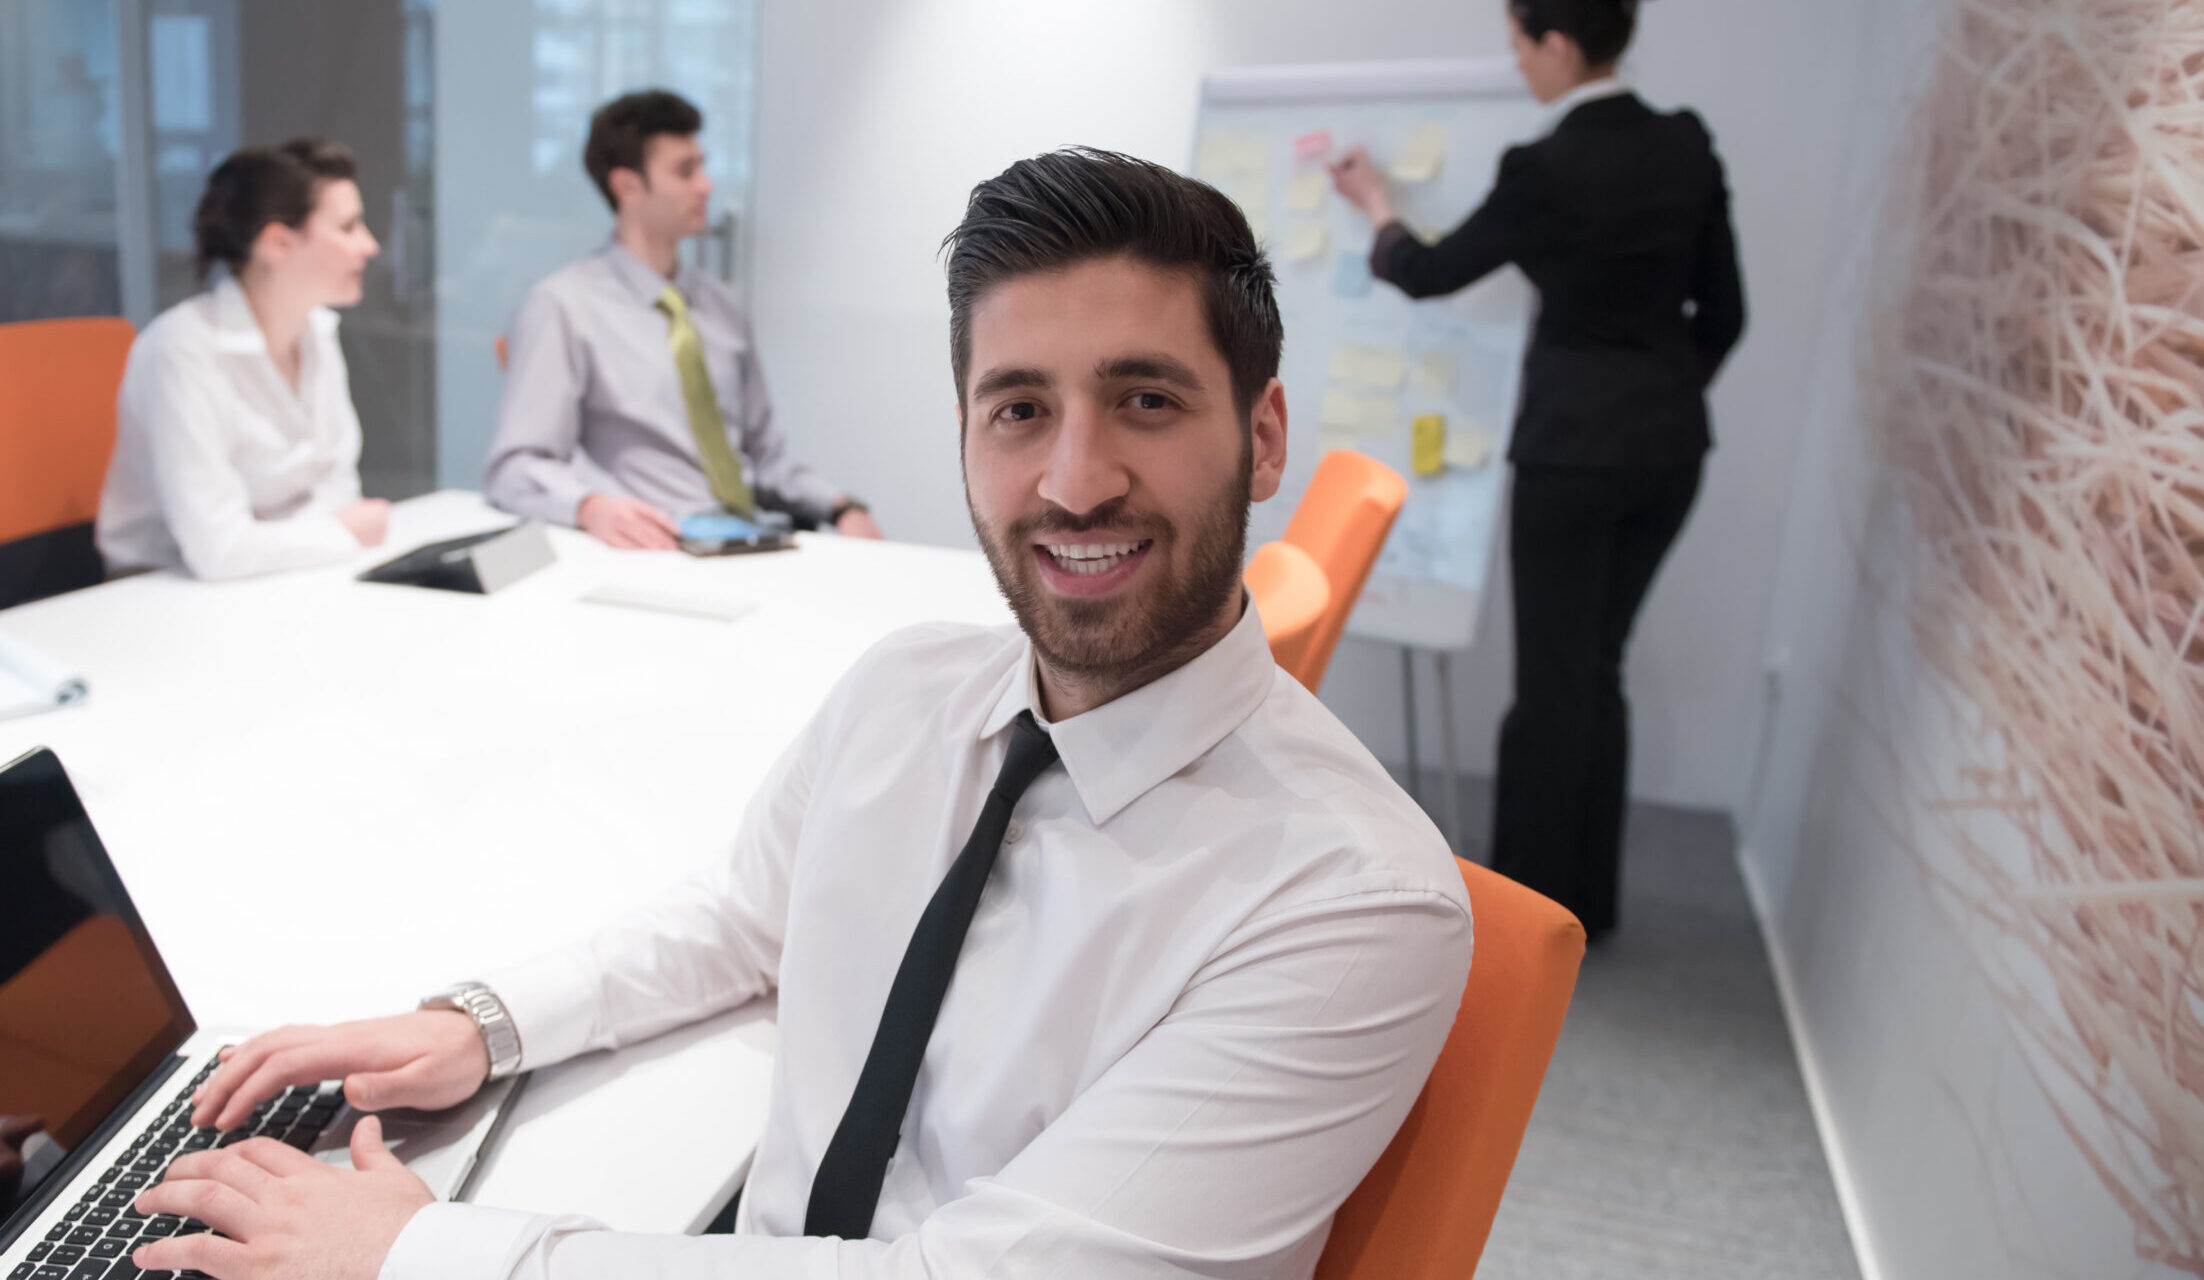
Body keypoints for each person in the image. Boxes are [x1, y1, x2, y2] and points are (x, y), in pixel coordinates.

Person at [123, 148, 1472, 1280]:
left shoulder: (1348, 897)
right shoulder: (910, 692)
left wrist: (433, 1256)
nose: (1073, 480)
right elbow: (745, 914)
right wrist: (481, 1024)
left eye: (1145, 399)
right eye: (1018, 409)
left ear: (1267, 433)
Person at [1329, 0, 1745, 938]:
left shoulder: (1547, 168)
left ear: (1557, 44)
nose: (1515, 65)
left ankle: (1525, 920)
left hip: (1570, 453)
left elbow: (1430, 272)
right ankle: (1587, 906)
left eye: (1519, 45)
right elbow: (1726, 316)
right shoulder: (1686, 145)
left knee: (1551, 686)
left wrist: (1378, 207)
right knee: (1599, 670)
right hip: (1671, 451)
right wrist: (1660, 392)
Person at [483, 90, 882, 549]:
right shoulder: (562, 306)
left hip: (750, 540)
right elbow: (514, 467)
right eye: (685, 171)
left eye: (703, 166)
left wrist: (842, 506)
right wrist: (590, 506)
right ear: (626, 186)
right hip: (652, 547)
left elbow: (764, 460)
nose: (706, 185)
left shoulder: (721, 307)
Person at [99, 139, 391, 581]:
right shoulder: (183, 349)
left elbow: (338, 491)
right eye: (348, 228)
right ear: (278, 242)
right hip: (160, 591)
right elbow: (218, 550)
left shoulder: (318, 332)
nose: (369, 245)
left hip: (276, 578)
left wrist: (302, 538)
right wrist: (338, 532)